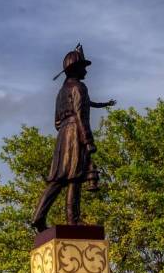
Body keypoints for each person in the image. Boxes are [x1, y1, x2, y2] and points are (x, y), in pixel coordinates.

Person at [30, 44, 116, 231]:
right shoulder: (79, 87)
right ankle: (73, 220)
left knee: (58, 179)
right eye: (83, 67)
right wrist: (88, 141)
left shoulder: (61, 92)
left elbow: (56, 123)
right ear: (76, 69)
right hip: (76, 135)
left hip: (63, 136)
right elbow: (80, 115)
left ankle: (39, 215)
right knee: (74, 178)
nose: (86, 71)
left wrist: (66, 132)